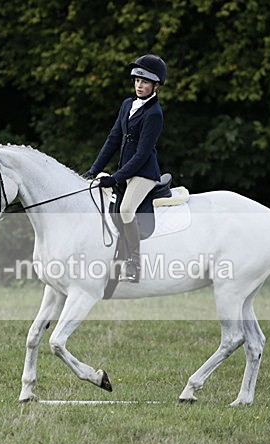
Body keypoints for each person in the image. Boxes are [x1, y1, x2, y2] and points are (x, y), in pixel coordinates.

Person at [81, 54, 167, 283]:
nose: (140, 85)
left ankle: (134, 264)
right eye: (137, 80)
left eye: (145, 82)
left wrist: (116, 177)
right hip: (126, 169)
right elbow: (113, 139)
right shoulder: (127, 105)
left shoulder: (154, 114)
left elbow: (141, 155)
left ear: (155, 85)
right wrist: (94, 169)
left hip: (144, 173)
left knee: (126, 209)